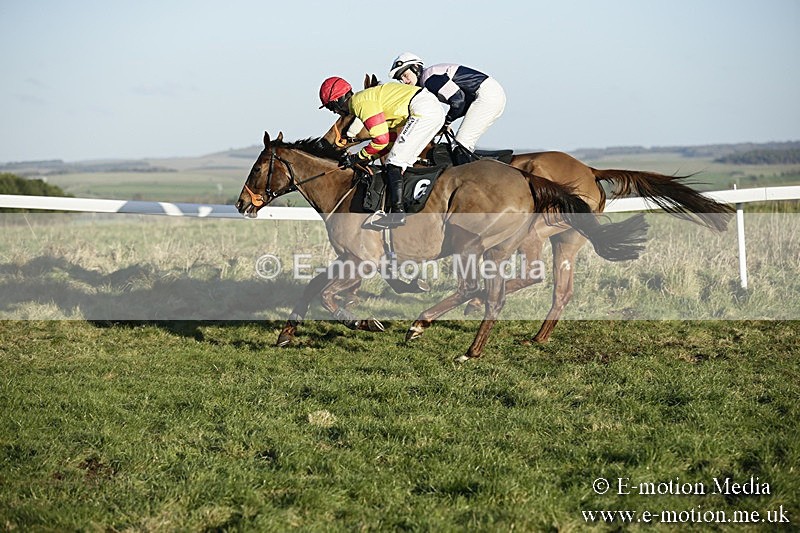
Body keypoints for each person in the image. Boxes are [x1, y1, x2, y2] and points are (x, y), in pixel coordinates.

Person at [318, 76, 445, 227]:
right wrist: (368, 158)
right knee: (404, 162)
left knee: (395, 162)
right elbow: (390, 140)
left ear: (337, 100)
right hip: (430, 109)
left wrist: (357, 158)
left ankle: (397, 213)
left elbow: (381, 140)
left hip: (423, 110)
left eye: (330, 107)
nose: (333, 112)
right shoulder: (367, 100)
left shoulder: (359, 103)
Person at [389, 52, 506, 164]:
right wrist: (446, 122)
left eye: (405, 75)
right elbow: (462, 103)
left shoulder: (429, 78)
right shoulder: (429, 77)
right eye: (401, 79)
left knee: (461, 144)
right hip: (489, 94)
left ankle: (469, 179)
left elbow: (458, 101)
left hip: (487, 95)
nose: (405, 81)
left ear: (415, 68)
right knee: (462, 143)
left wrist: (446, 122)